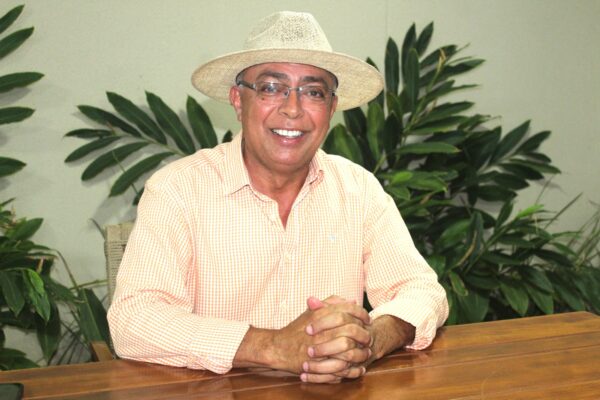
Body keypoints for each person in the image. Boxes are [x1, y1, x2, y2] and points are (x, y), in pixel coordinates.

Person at [107, 11, 448, 384]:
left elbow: (421, 290)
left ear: (331, 109)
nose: (293, 109)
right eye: (271, 88)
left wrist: (369, 340)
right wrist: (271, 347)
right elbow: (134, 319)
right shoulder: (177, 190)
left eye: (313, 92)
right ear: (238, 100)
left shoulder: (358, 189)